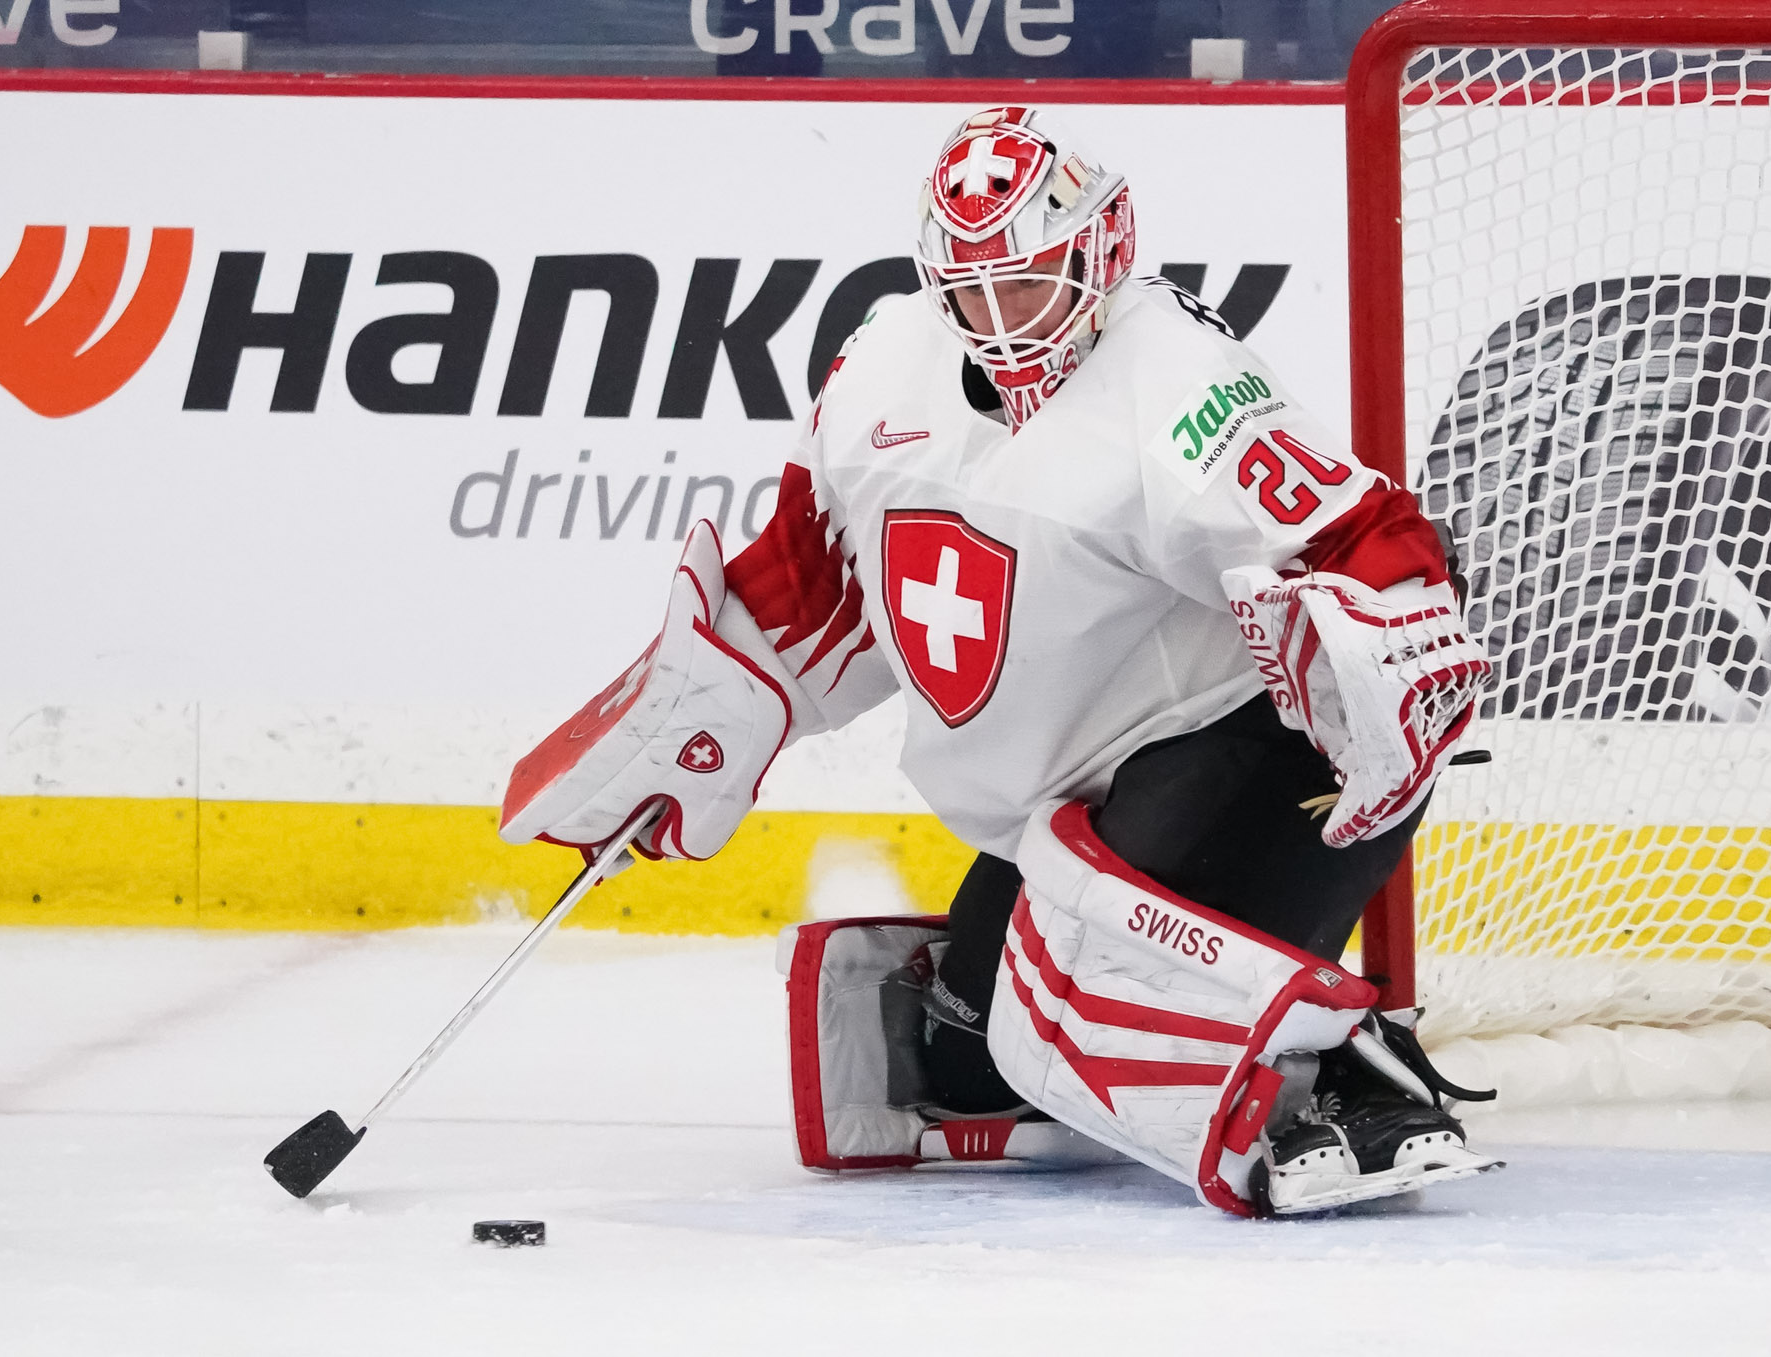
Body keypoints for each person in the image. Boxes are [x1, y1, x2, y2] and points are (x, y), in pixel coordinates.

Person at [499, 106, 1500, 1216]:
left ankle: (1349, 1070)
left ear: (1099, 253)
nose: (998, 321)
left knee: (1092, 1005)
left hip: (1253, 754)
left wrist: (1393, 655)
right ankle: (1181, 1028)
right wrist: (698, 719)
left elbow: (1367, 537)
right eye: (971, 292)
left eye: (1024, 285)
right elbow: (812, 578)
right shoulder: (880, 365)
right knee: (975, 1059)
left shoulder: (1177, 380)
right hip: (1061, 812)